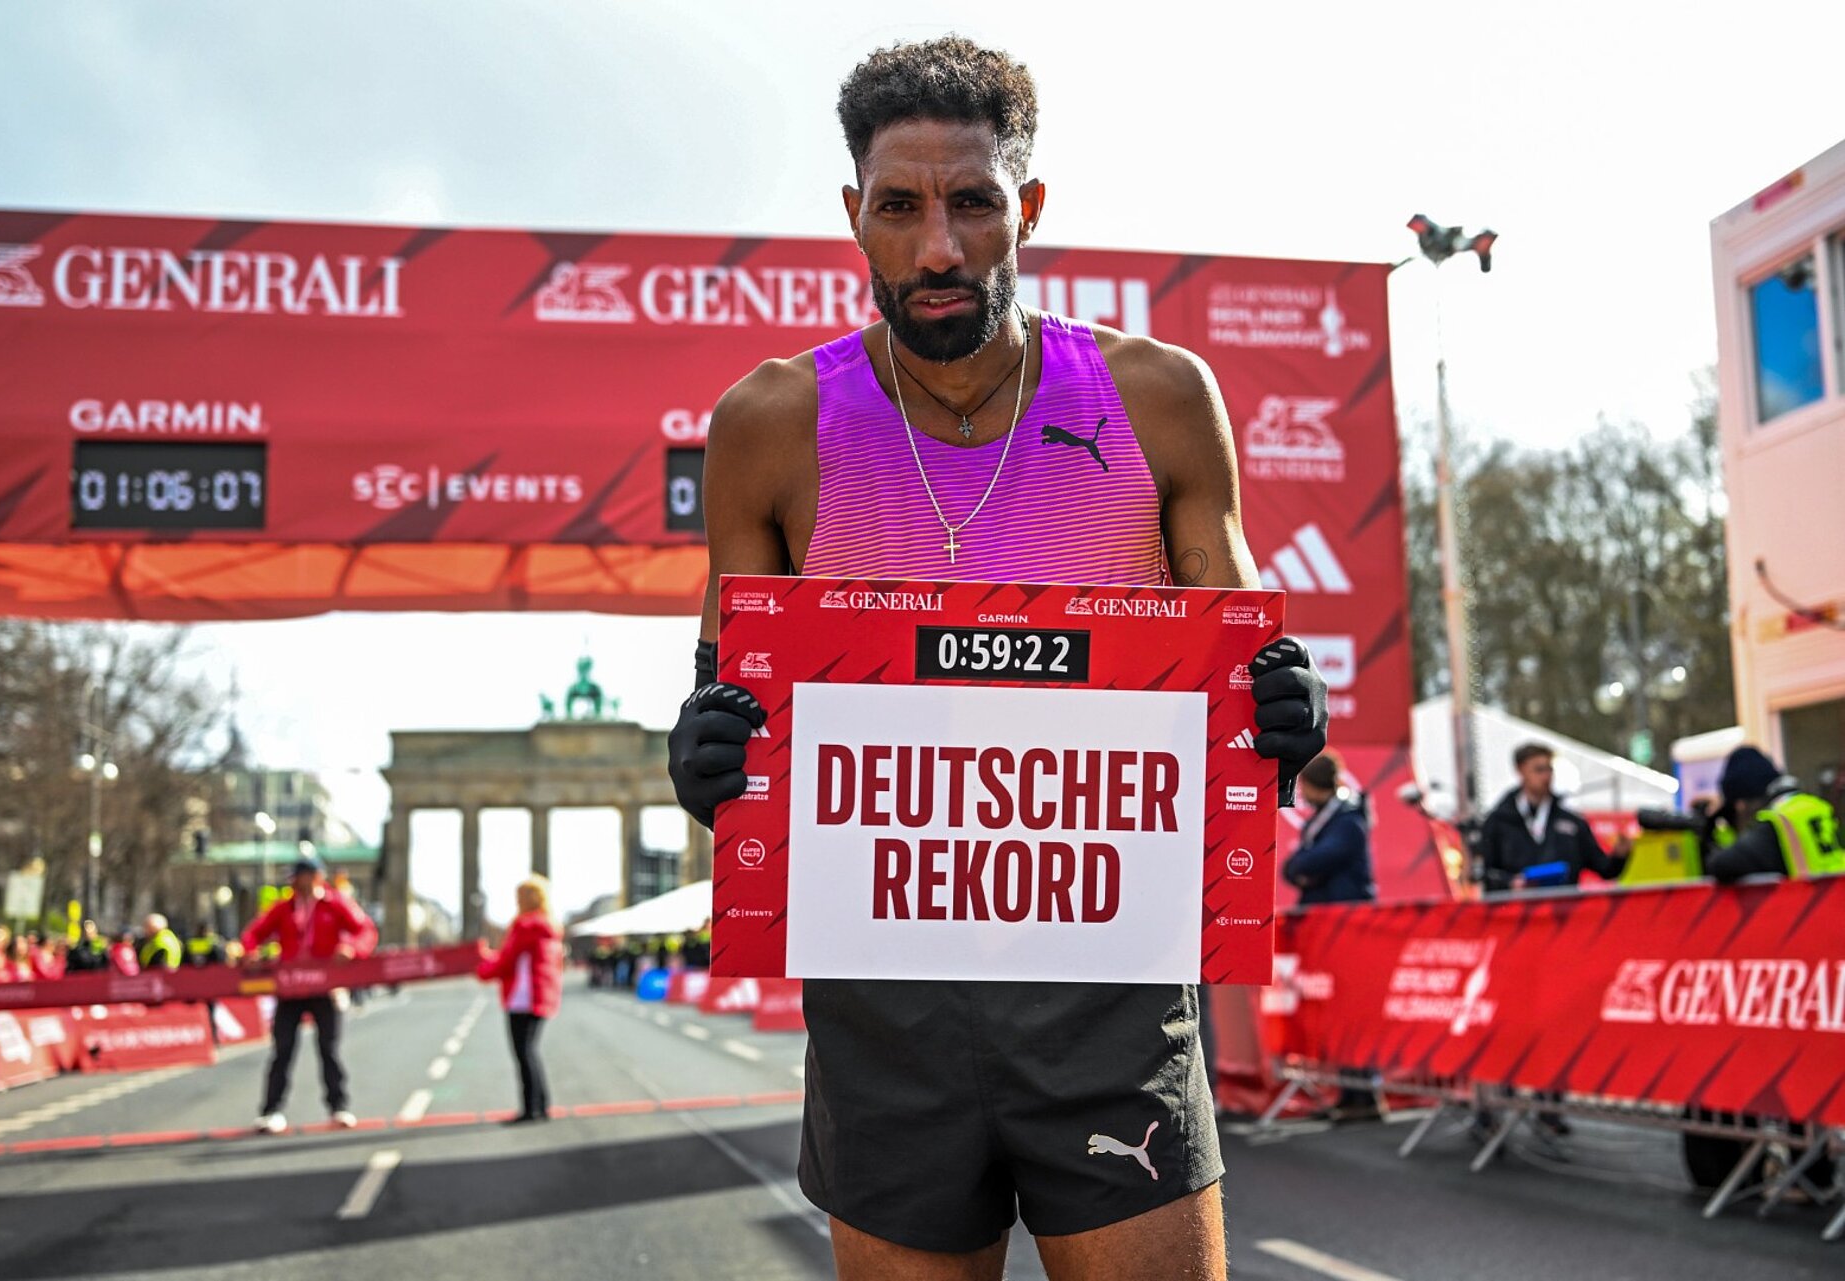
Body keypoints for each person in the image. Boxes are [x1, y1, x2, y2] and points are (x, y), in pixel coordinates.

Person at [665, 36, 1327, 1281]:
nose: (938, 248)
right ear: (852, 214)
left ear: (1025, 207)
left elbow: (1249, 682)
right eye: (900, 207)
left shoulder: (1161, 397)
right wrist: (701, 762)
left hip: (1108, 983)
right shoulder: (767, 425)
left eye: (971, 203)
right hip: (883, 996)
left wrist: (1288, 716)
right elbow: (725, 708)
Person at [239, 858, 377, 1134]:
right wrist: (250, 953)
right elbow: (254, 933)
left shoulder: (335, 903)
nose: (293, 882)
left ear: (314, 877)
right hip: (290, 987)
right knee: (283, 1049)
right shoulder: (283, 907)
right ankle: (271, 1110)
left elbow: (365, 931)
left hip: (325, 987)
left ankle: (339, 1106)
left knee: (329, 1048)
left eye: (298, 876)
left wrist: (350, 948)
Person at [1479, 742, 1628, 893]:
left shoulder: (1573, 823)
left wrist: (1620, 855)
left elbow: (1605, 869)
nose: (1546, 776)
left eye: (1549, 769)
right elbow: (1484, 875)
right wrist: (1512, 883)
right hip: (1516, 911)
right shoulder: (1498, 821)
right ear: (1521, 770)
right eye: (1539, 770)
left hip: (1562, 911)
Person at [475, 876, 563, 1124]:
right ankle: (541, 1105)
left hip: (522, 998)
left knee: (523, 1053)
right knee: (531, 1051)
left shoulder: (525, 926)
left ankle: (530, 1109)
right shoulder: (548, 926)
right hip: (541, 997)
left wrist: (482, 968)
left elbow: (506, 960)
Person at [1705, 745, 1844, 882]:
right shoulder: (1817, 806)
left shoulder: (1776, 822)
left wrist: (1706, 826)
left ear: (1742, 804)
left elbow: (1721, 865)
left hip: (1818, 903)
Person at [1283, 753, 1375, 907]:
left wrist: (1295, 867)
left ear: (1315, 786)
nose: (1301, 792)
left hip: (1344, 914)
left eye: (1303, 785)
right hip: (1324, 910)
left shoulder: (1348, 822)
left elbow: (1317, 859)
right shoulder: (1326, 819)